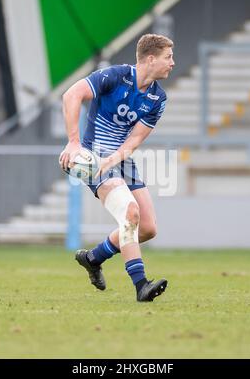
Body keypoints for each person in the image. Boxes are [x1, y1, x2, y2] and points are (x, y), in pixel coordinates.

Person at [59, 34, 175, 302]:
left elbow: (135, 138)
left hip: (121, 160)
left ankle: (93, 258)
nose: (172, 63)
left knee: (147, 228)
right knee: (129, 213)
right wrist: (74, 143)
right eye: (168, 57)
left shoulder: (158, 98)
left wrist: (116, 158)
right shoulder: (115, 76)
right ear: (150, 58)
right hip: (92, 157)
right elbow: (71, 95)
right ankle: (141, 285)